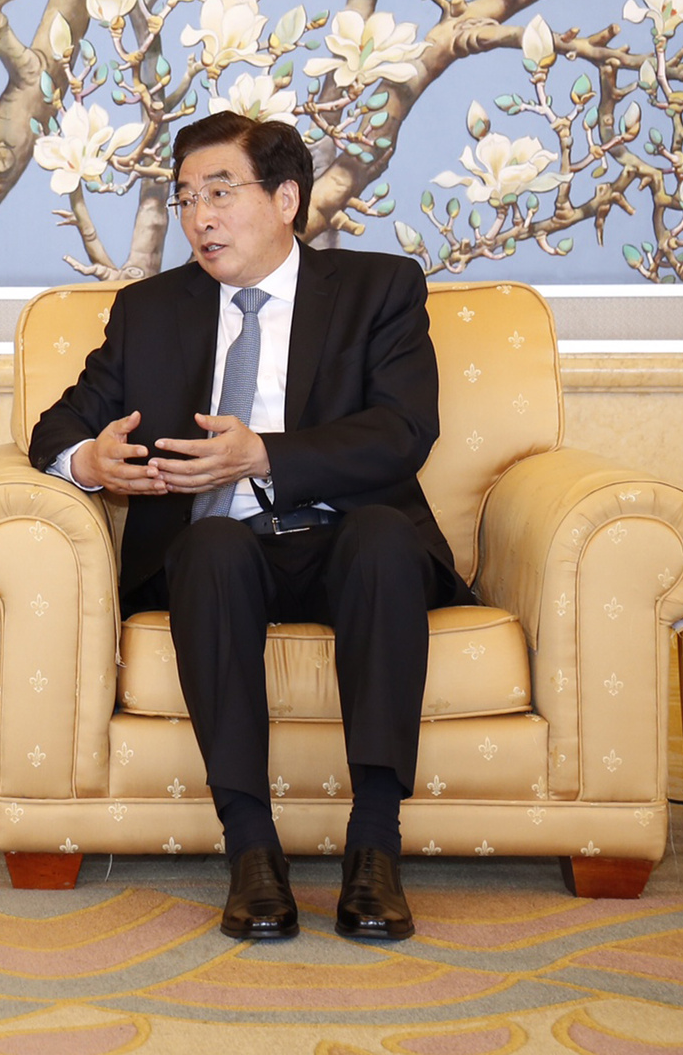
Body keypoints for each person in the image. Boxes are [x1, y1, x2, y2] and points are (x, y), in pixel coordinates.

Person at [28, 111, 465, 942]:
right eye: (186, 198)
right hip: (217, 554)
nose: (200, 217)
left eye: (220, 192)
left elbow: (405, 430)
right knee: (212, 547)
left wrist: (264, 454)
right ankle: (252, 849)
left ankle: (375, 844)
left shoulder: (379, 289)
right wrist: (90, 463)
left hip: (347, 537)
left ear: (286, 199)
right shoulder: (151, 310)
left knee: (380, 538)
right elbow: (60, 425)